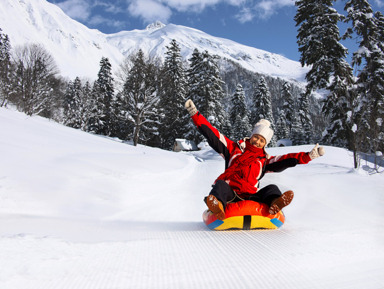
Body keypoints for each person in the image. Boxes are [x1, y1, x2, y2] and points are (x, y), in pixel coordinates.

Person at [185, 99, 325, 220]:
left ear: (265, 144)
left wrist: (309, 156)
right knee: (220, 185)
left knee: (272, 189)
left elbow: (286, 159)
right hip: (231, 194)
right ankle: (218, 207)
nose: (257, 141)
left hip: (252, 196)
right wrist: (194, 113)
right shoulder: (233, 148)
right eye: (256, 137)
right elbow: (213, 134)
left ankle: (275, 204)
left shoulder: (264, 160)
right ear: (251, 136)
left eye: (262, 140)